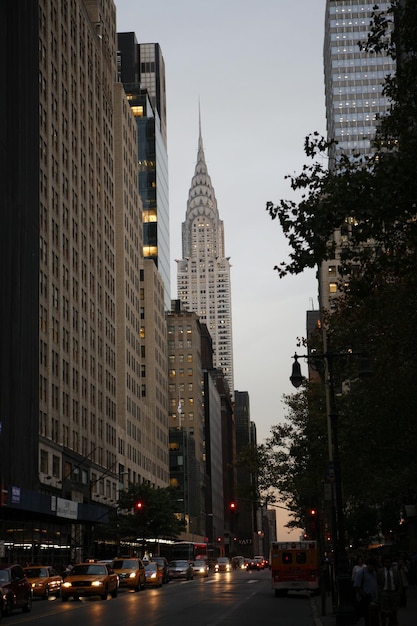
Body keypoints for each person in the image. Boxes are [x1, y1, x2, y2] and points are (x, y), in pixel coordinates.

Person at [353, 557, 379, 626]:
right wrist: (364, 595)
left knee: (374, 618)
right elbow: (357, 586)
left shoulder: (374, 572)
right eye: (372, 566)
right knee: (368, 618)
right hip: (366, 598)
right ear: (368, 565)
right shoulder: (361, 572)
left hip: (374, 599)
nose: (373, 568)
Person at [377, 555, 401, 626]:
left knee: (393, 611)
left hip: (394, 593)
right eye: (386, 562)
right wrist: (380, 592)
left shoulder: (395, 571)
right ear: (384, 563)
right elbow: (378, 583)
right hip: (384, 593)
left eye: (389, 562)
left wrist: (398, 594)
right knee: (384, 612)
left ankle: (392, 623)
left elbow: (399, 583)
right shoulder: (380, 572)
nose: (388, 564)